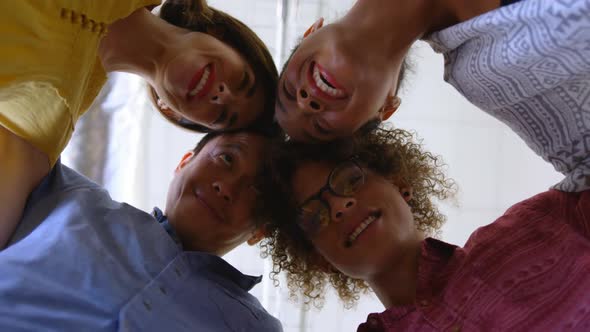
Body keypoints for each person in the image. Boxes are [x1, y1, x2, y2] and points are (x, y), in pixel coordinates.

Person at [0, 0, 278, 248]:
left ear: (171, 111)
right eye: (243, 81)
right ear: (221, 36)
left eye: (222, 116)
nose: (223, 95)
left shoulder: (48, 117)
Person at [261, 123, 589, 331]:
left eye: (350, 180)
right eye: (313, 216)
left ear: (399, 184)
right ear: (322, 261)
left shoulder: (537, 226)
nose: (337, 207)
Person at [0, 129, 283, 331]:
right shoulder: (65, 193)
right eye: (227, 159)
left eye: (258, 190)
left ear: (260, 232)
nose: (227, 188)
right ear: (184, 162)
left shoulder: (255, 326)